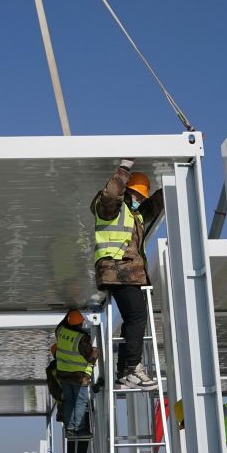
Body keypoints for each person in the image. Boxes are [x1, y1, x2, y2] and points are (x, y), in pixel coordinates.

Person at [91, 160, 164, 389]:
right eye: (138, 195)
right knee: (136, 317)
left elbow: (154, 205)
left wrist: (172, 181)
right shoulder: (110, 209)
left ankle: (125, 370)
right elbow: (111, 194)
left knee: (133, 319)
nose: (140, 200)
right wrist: (124, 169)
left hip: (129, 274)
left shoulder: (135, 216)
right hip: (117, 271)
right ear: (127, 191)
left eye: (142, 197)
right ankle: (132, 367)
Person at [54, 310, 98, 453]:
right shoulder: (81, 338)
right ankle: (78, 428)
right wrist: (96, 351)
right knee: (80, 403)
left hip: (64, 374)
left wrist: (69, 311)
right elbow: (90, 357)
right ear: (80, 323)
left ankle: (70, 429)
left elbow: (60, 324)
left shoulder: (60, 331)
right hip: (79, 377)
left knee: (69, 402)